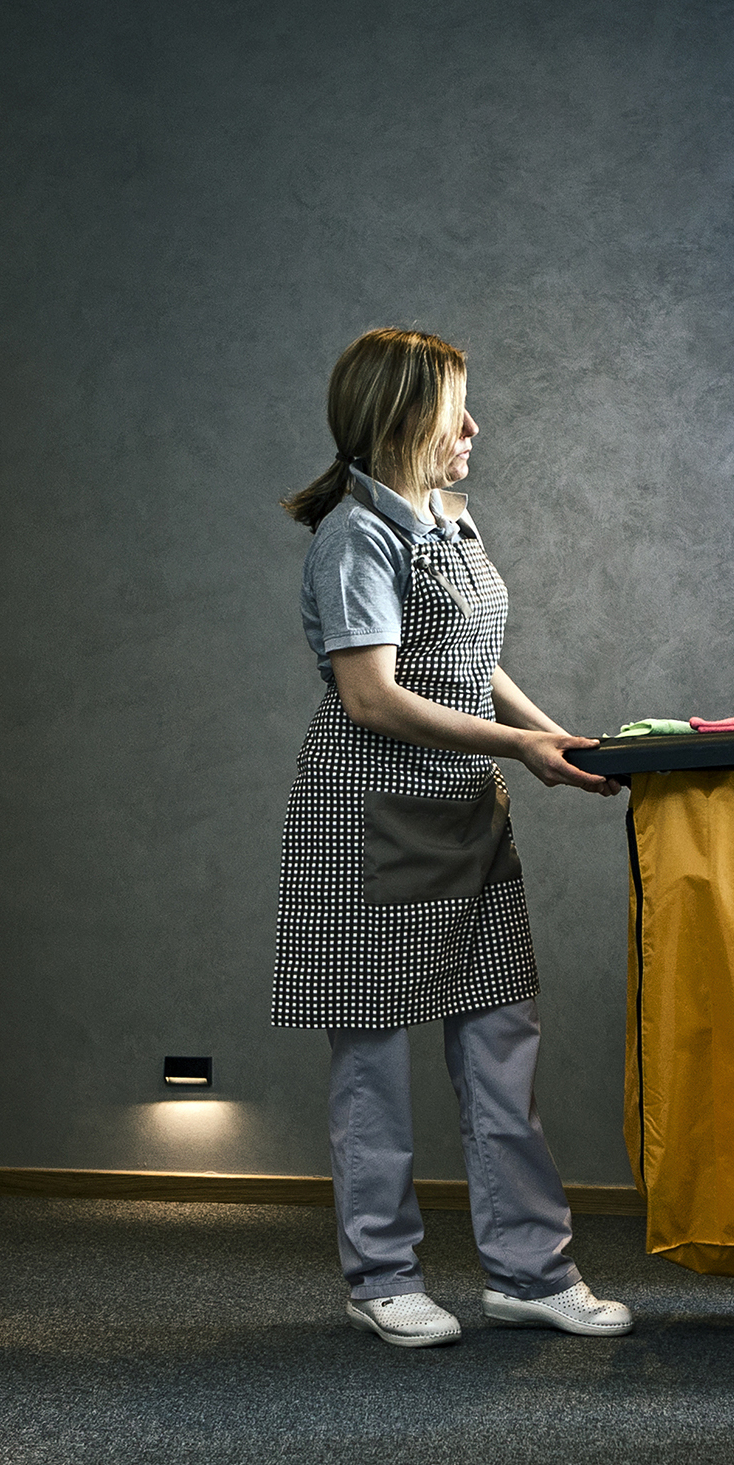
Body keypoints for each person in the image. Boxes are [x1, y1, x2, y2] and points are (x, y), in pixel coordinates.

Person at [270, 327, 632, 1349]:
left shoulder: (448, 520)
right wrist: (522, 743)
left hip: (465, 811)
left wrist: (543, 732)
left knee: (500, 1044)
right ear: (400, 420)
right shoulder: (356, 535)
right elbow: (373, 697)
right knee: (375, 1064)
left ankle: (529, 1270)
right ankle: (381, 1275)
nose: (473, 426)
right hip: (368, 819)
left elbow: (472, 659)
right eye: (453, 408)